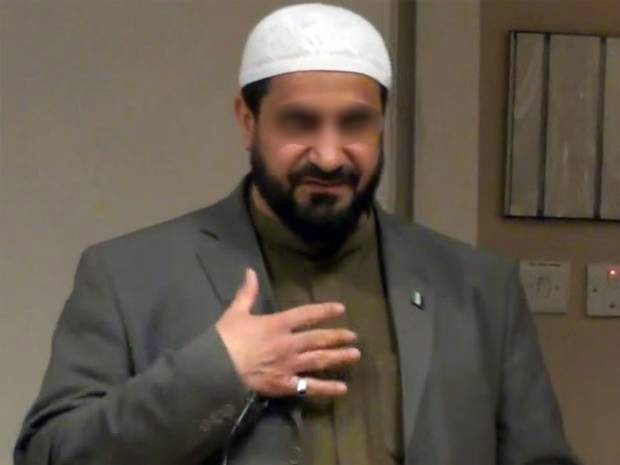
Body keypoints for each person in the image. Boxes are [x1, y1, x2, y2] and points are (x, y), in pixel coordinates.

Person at [14, 3, 581, 465]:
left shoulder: (479, 290)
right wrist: (216, 373)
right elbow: (49, 454)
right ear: (247, 121)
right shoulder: (129, 276)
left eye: (354, 123)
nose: (329, 155)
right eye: (300, 122)